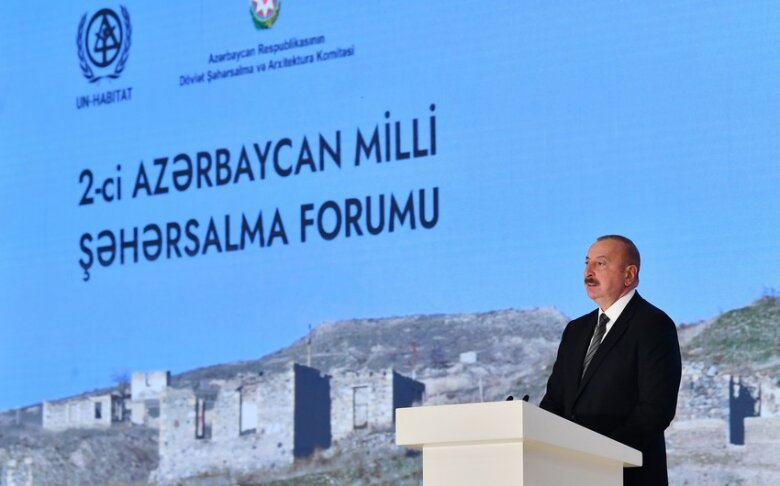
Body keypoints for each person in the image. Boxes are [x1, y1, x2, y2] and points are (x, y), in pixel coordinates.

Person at [539, 235, 682, 486]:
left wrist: (599, 454)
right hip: (569, 474)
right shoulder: (575, 330)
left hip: (627, 475)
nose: (588, 272)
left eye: (601, 263)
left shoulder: (653, 325)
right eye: (587, 262)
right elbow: (555, 401)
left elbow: (655, 410)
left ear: (629, 274)